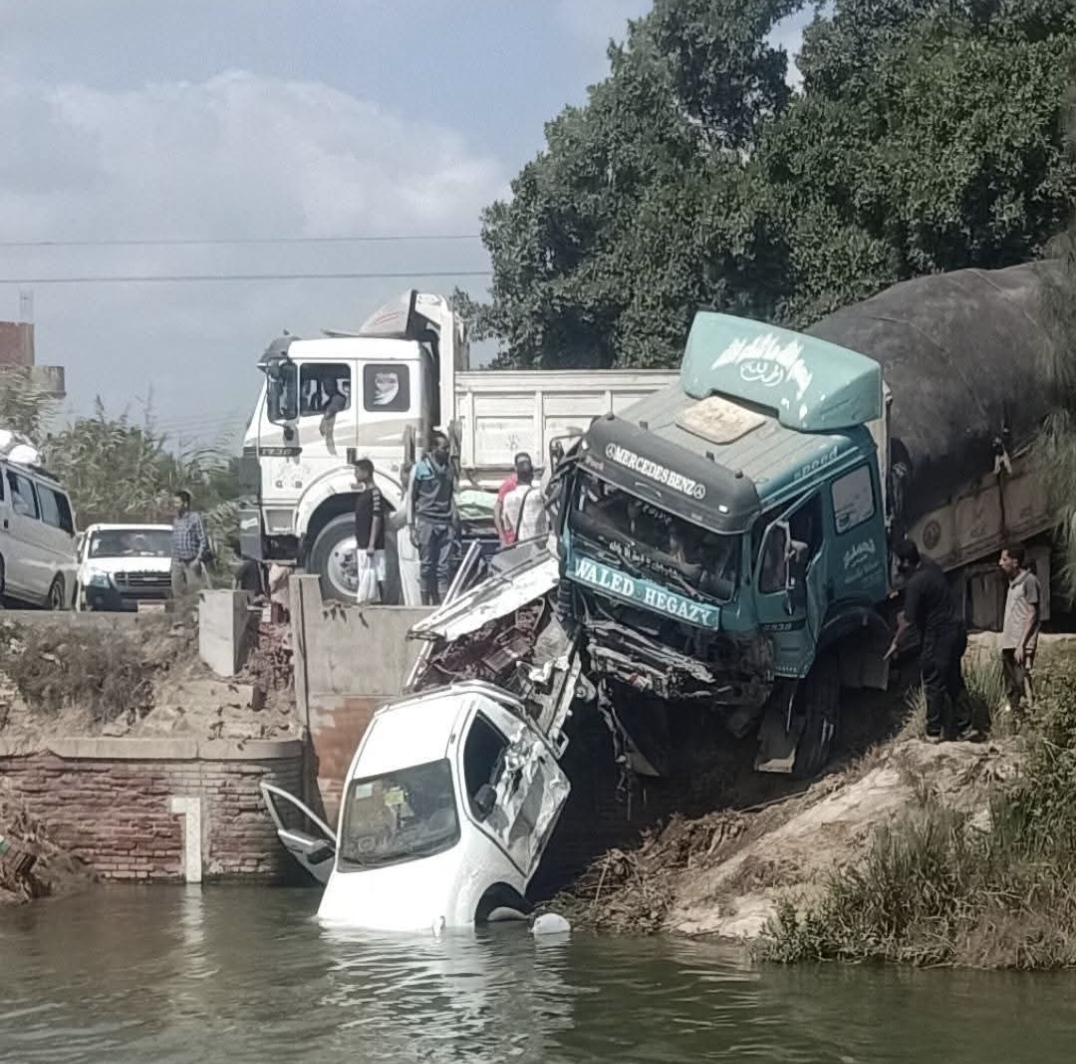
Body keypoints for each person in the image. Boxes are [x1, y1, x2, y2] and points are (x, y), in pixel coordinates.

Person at [887, 539, 974, 742]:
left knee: (933, 682)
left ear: (906, 562)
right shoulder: (930, 565)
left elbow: (908, 621)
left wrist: (895, 643)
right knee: (954, 679)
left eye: (898, 561)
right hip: (957, 631)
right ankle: (966, 727)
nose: (897, 566)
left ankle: (933, 733)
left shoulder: (916, 583)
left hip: (939, 637)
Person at [411, 431, 457, 604]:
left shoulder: (450, 469)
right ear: (433, 449)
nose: (447, 451)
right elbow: (411, 498)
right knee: (427, 566)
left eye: (448, 448)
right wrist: (411, 527)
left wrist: (454, 520)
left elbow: (452, 495)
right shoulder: (421, 468)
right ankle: (424, 604)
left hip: (445, 522)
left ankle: (442, 605)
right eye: (443, 448)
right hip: (426, 522)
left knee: (443, 568)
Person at [999, 543, 1041, 715]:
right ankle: (1014, 722)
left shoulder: (1030, 582)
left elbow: (1032, 614)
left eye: (1004, 559)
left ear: (1015, 562)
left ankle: (1028, 723)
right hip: (1010, 642)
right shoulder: (1013, 583)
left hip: (1021, 645)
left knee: (1022, 683)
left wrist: (1021, 645)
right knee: (1011, 687)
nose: (1000, 563)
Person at [353, 458, 388, 603]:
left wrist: (372, 544)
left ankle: (379, 605)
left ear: (366, 473)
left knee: (377, 575)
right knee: (364, 576)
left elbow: (376, 518)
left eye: (357, 471)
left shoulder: (375, 493)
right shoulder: (364, 494)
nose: (355, 475)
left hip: (372, 545)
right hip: (362, 543)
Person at [390, 461, 422, 607]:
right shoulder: (408, 494)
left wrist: (390, 519)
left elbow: (401, 518)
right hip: (405, 547)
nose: (400, 479)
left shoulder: (413, 494)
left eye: (402, 475)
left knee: (412, 582)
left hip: (410, 546)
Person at [501, 453, 549, 545]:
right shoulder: (539, 495)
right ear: (532, 475)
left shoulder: (507, 498)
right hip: (539, 550)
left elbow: (507, 527)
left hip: (521, 550)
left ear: (516, 474)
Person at [171, 490, 210, 600]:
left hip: (191, 562)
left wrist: (197, 559)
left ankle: (194, 615)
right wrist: (172, 563)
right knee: (177, 592)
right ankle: (180, 615)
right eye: (174, 503)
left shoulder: (195, 518)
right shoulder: (176, 520)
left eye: (177, 503)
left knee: (194, 593)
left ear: (185, 504)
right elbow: (174, 541)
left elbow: (203, 540)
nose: (175, 506)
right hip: (178, 562)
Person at [493, 463, 520, 547]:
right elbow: (497, 511)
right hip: (511, 540)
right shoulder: (509, 484)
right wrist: (502, 538)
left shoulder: (529, 485)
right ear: (516, 468)